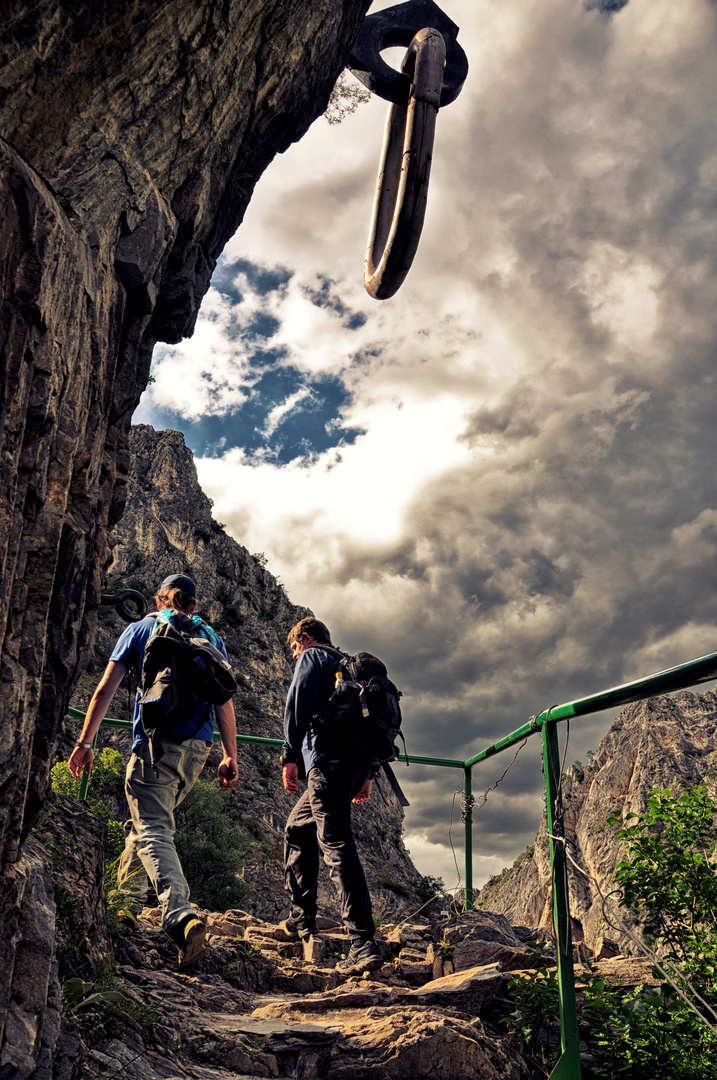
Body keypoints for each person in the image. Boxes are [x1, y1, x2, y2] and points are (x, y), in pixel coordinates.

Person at [68, 574, 238, 968]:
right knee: (144, 823)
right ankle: (123, 907)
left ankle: (181, 916)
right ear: (193, 604)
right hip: (198, 749)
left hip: (154, 744)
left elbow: (105, 689)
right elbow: (224, 701)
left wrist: (85, 742)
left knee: (154, 828)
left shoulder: (141, 627)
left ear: (160, 598)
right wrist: (230, 755)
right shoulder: (210, 636)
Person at [280, 616, 382, 974]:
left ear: (305, 639)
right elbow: (369, 724)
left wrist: (290, 756)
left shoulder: (313, 657)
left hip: (327, 765)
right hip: (353, 766)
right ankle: (301, 916)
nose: (295, 657)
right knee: (296, 827)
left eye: (293, 648)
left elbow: (298, 704)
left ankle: (362, 942)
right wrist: (367, 773)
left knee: (337, 846)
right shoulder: (350, 666)